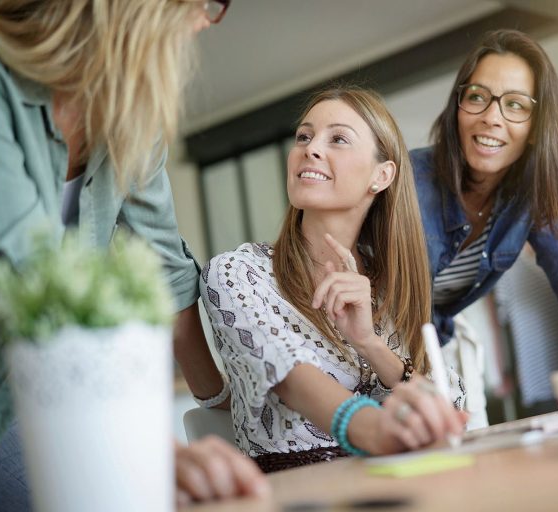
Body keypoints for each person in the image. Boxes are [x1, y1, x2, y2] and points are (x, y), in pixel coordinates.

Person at [0, 1, 266, 509]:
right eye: (207, 2)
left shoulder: (135, 119)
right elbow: (30, 271)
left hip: (23, 392)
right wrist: (141, 453)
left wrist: (219, 416)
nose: (208, 20)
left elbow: (165, 268)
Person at [200, 87, 467, 473]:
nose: (310, 149)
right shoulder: (236, 274)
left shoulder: (387, 289)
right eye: (304, 137)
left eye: (337, 138)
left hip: (392, 483)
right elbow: (289, 376)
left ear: (381, 175)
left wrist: (370, 343)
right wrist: (375, 428)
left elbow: (453, 406)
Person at [410, 29, 558, 427]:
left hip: (429, 359)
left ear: (537, 125)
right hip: (370, 361)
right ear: (458, 105)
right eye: (477, 97)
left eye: (515, 105)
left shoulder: (530, 196)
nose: (492, 117)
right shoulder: (407, 180)